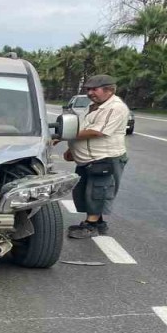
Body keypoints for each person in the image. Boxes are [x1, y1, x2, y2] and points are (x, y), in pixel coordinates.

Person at [62, 75, 130, 239]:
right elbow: (86, 127)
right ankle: (98, 222)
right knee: (85, 191)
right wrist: (72, 148)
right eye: (88, 89)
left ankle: (91, 225)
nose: (90, 93)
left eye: (94, 89)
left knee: (98, 191)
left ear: (110, 90)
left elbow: (97, 131)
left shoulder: (115, 108)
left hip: (104, 158)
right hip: (88, 159)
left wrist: (64, 135)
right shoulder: (94, 106)